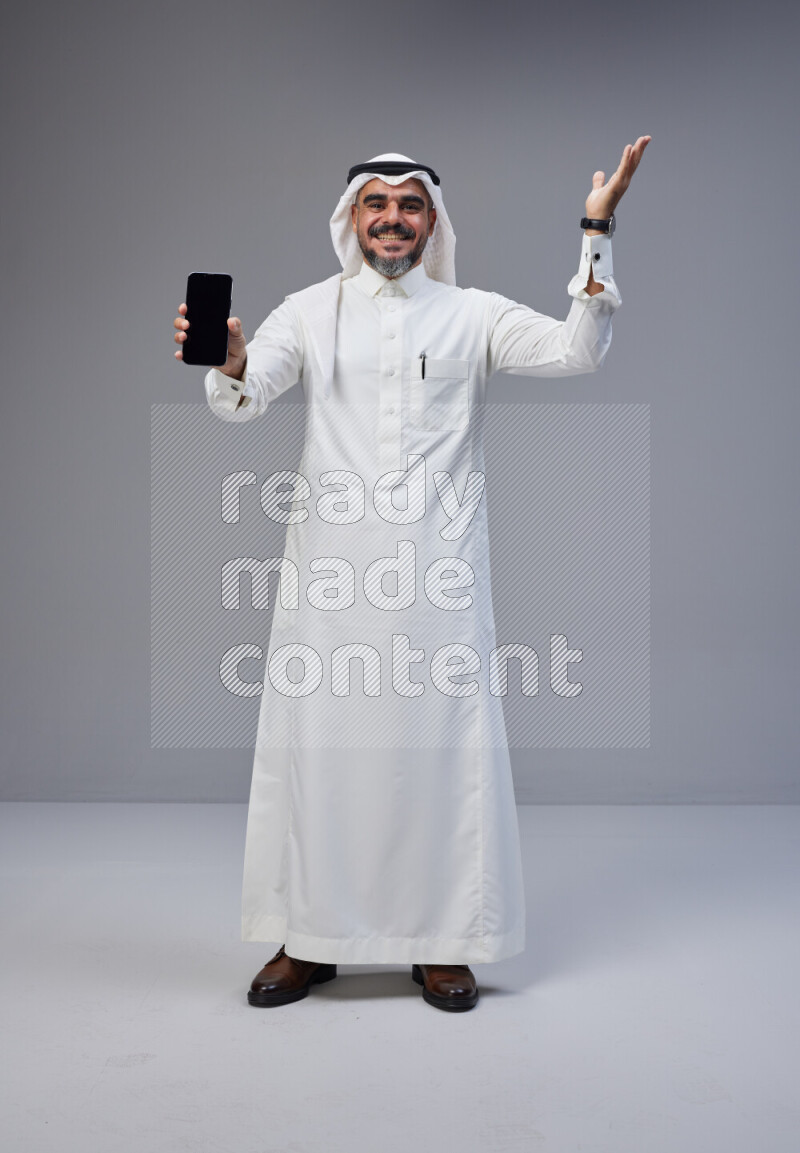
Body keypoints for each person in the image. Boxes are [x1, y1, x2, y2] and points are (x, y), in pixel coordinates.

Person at [173, 142, 650, 1012]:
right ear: (352, 218)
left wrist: (597, 228)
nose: (392, 218)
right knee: (323, 757)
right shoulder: (309, 311)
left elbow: (577, 350)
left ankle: (440, 941)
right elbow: (244, 396)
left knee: (438, 757)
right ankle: (309, 938)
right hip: (332, 583)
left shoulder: (472, 314)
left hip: (439, 580)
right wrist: (231, 359)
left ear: (432, 221)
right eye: (376, 203)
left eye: (409, 204)